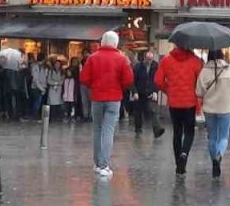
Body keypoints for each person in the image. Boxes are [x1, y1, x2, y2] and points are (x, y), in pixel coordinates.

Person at [79, 32, 134, 179]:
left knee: (97, 129)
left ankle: (97, 164)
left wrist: (94, 86)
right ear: (115, 43)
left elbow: (84, 78)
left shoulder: (93, 58)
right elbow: (128, 80)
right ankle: (104, 165)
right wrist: (118, 87)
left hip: (97, 97)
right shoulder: (122, 59)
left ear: (102, 42)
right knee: (108, 131)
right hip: (114, 98)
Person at [155, 45, 204, 175]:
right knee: (189, 132)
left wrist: (169, 90)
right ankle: (184, 153)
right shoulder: (196, 61)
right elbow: (200, 83)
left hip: (174, 102)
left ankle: (178, 164)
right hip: (190, 102)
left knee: (177, 132)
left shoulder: (166, 60)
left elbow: (158, 81)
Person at [196, 48, 230, 178]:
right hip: (225, 107)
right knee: (223, 136)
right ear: (222, 55)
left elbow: (198, 92)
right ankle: (219, 155)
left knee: (212, 137)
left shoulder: (204, 71)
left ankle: (214, 161)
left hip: (209, 109)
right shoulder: (229, 69)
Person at [132, 50, 165, 138]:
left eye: (151, 59)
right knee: (138, 112)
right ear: (144, 58)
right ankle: (138, 128)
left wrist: (155, 91)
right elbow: (133, 81)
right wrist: (134, 92)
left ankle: (157, 130)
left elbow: (158, 81)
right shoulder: (138, 66)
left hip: (151, 92)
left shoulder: (156, 66)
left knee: (153, 111)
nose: (149, 61)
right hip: (140, 92)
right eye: (147, 59)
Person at [45, 55, 66, 121]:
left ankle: (58, 117)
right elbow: (48, 80)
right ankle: (52, 117)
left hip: (59, 90)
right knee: (52, 103)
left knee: (58, 103)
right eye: (56, 64)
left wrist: (56, 82)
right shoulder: (50, 71)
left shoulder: (62, 72)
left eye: (58, 64)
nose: (57, 65)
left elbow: (62, 80)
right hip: (52, 89)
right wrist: (56, 83)